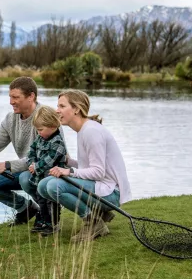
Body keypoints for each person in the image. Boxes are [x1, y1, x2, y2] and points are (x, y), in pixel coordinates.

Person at [38, 90, 131, 242]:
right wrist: (68, 162)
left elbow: (98, 172)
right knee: (43, 185)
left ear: (76, 109)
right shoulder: (83, 130)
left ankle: (93, 222)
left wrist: (68, 171)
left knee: (54, 186)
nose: (57, 110)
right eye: (57, 106)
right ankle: (98, 213)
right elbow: (88, 168)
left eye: (62, 106)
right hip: (99, 186)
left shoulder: (91, 131)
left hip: (110, 193)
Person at [0, 77, 55, 226]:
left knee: (26, 178)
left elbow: (41, 159)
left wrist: (6, 165)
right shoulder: (10, 119)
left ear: (31, 96)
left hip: (47, 172)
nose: (11, 102)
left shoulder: (45, 117)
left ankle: (47, 212)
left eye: (15, 97)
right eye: (10, 97)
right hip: (25, 169)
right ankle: (26, 208)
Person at [26, 106, 67, 236]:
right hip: (39, 178)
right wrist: (31, 162)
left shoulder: (58, 142)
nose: (38, 132)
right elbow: (31, 151)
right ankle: (44, 221)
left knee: (51, 202)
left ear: (52, 125)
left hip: (51, 179)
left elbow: (49, 160)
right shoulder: (40, 138)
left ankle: (53, 224)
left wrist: (36, 166)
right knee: (41, 200)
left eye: (40, 129)